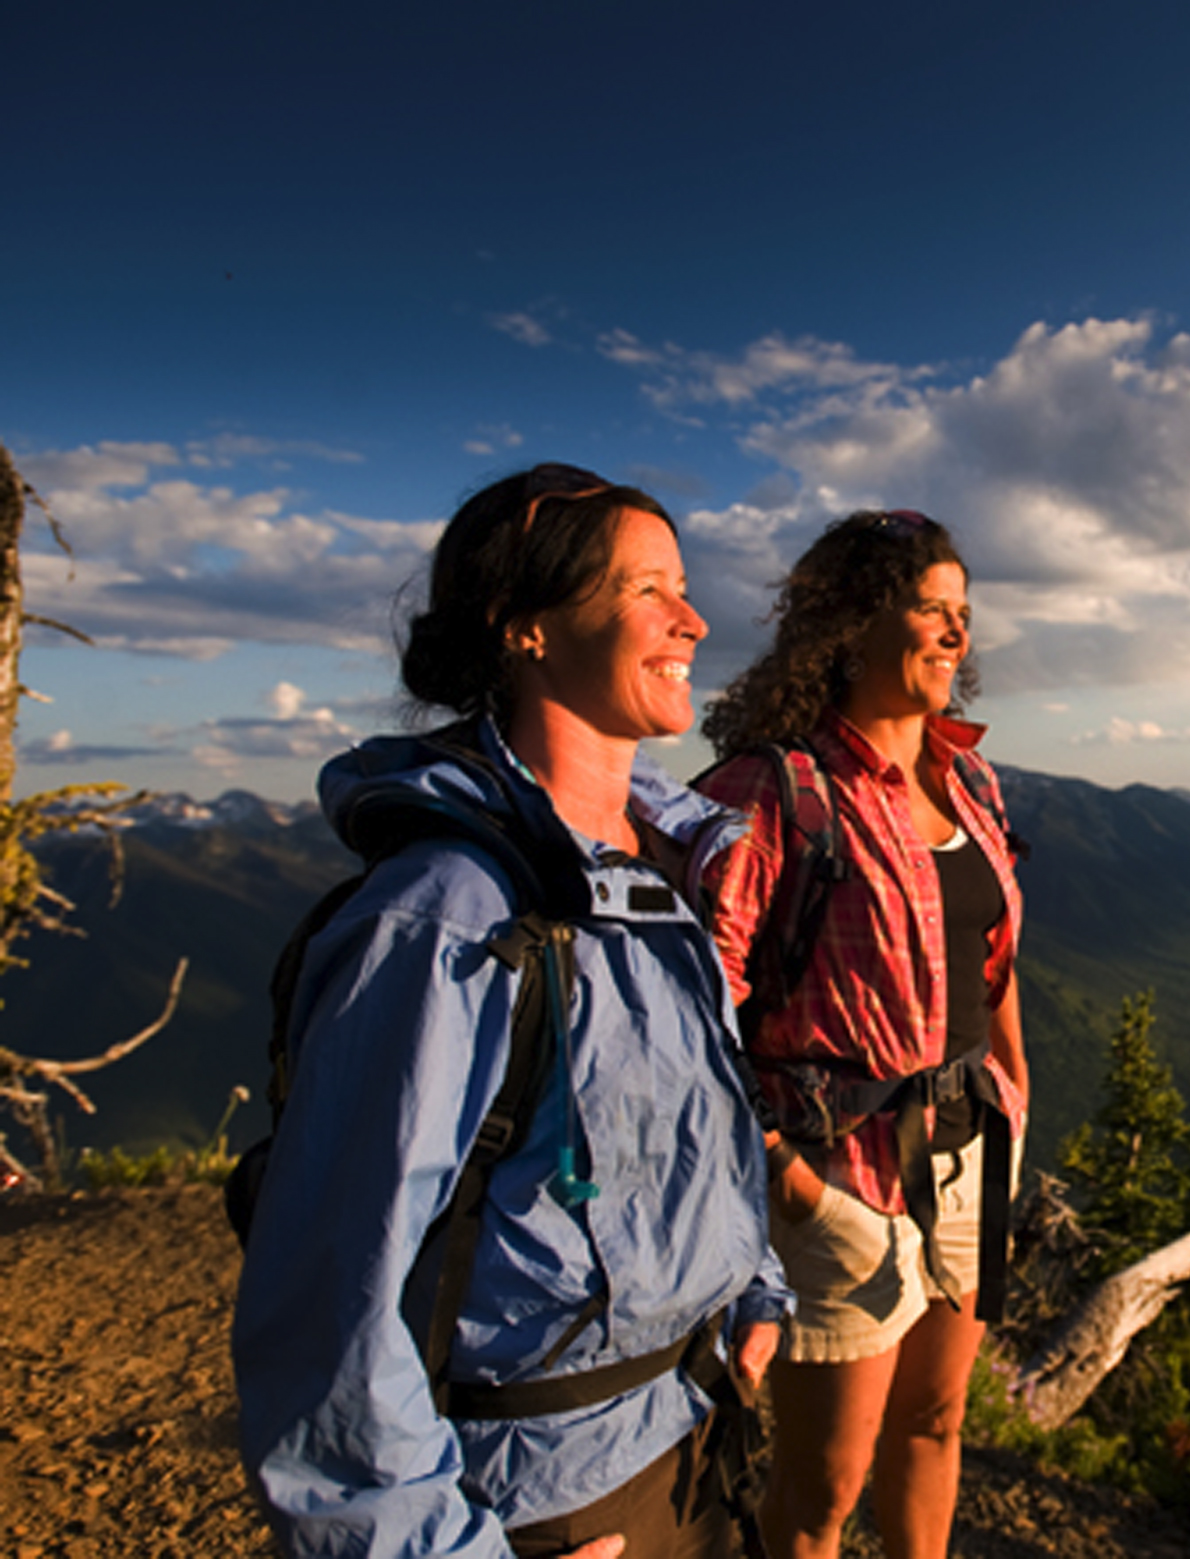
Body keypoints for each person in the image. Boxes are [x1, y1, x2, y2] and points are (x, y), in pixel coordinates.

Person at [233, 464, 791, 1558]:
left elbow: (681, 1133)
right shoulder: (448, 919)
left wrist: (747, 1289)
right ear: (526, 627)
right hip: (545, 1502)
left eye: (683, 586)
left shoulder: (650, 878)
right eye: (648, 590)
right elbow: (329, 1306)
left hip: (691, 1438)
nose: (695, 616)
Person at [697, 510, 1027, 1559]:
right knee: (822, 1489)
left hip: (968, 1146)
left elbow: (991, 952)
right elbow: (686, 1019)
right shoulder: (774, 790)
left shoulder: (968, 780)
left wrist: (1015, 1082)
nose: (955, 634)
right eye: (929, 607)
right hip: (837, 1175)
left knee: (937, 1422)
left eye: (962, 613)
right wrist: (793, 1182)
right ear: (849, 620)